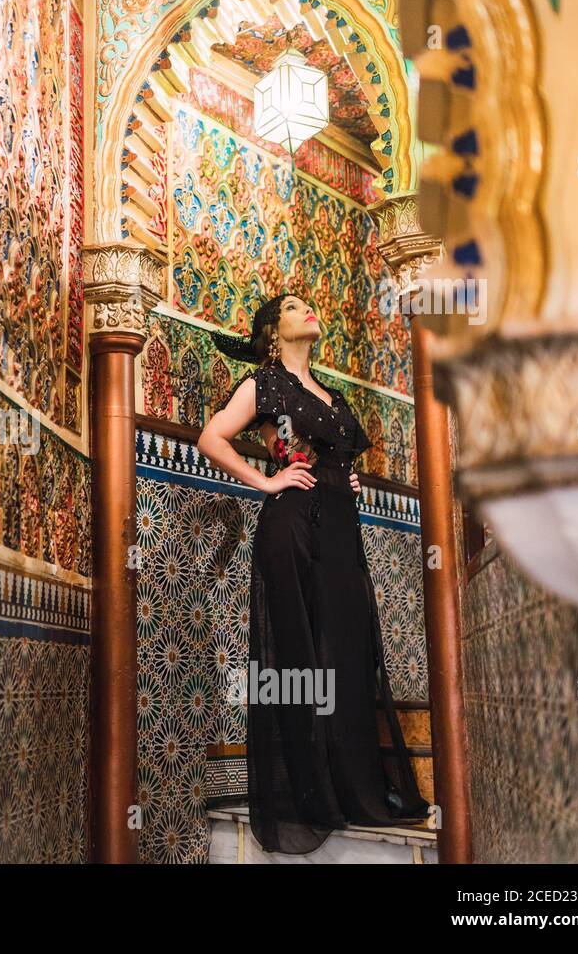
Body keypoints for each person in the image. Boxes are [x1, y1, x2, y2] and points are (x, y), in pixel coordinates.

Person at [197, 293, 430, 854]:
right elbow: (211, 438)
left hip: (340, 531)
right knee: (302, 656)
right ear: (274, 330)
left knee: (348, 651)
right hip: (293, 527)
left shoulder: (335, 398)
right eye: (295, 306)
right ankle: (309, 793)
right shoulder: (267, 384)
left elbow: (339, 458)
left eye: (308, 305)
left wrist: (344, 478)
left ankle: (354, 789)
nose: (309, 311)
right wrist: (270, 482)